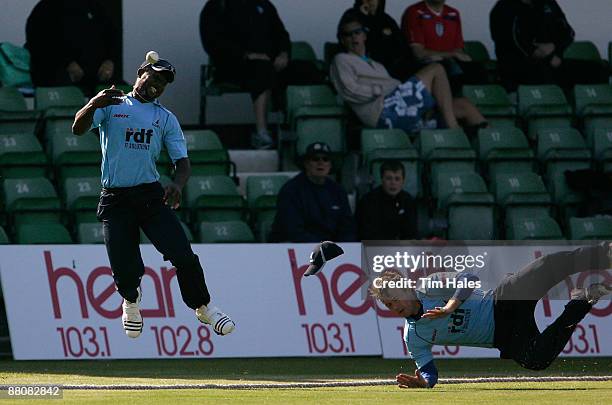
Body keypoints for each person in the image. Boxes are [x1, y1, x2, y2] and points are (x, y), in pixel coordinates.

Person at [71, 51, 235, 339]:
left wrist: (178, 184)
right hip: (115, 198)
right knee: (125, 266)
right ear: (140, 72)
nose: (157, 84)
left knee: (183, 254)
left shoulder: (165, 118)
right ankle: (131, 302)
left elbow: (182, 162)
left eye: (163, 82)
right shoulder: (111, 104)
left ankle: (203, 307)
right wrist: (93, 103)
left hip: (149, 196)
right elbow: (78, 128)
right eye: (154, 76)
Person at [370, 244, 612, 388]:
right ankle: (581, 301)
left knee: (546, 266)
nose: (394, 306)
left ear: (405, 286)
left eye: (394, 297)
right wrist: (425, 382)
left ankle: (605, 253)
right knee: (536, 360)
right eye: (388, 304)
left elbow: (468, 279)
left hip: (502, 301)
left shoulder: (428, 286)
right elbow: (427, 369)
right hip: (503, 336)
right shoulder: (413, 336)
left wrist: (451, 306)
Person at [330, 10, 486, 135]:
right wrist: (380, 90)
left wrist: (428, 104)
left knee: (463, 105)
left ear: (364, 35)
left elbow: (396, 87)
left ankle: (487, 141)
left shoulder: (376, 65)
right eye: (347, 34)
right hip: (382, 114)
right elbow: (349, 91)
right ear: (342, 40)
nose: (353, 37)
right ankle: (454, 130)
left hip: (403, 110)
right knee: (436, 69)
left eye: (357, 32)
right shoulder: (341, 59)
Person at [200, 0, 291, 149]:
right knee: (262, 70)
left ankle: (296, 130)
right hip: (233, 66)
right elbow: (212, 42)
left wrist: (284, 53)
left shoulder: (264, 5)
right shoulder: (217, 5)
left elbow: (281, 34)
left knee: (305, 70)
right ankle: (261, 132)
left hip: (270, 62)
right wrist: (246, 55)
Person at [490, 0, 609, 91]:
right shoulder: (503, 9)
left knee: (597, 71)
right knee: (541, 73)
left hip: (553, 61)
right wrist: (542, 53)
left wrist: (555, 49)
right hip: (518, 68)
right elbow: (514, 44)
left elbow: (567, 32)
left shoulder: (547, 3)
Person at [25, 0, 120, 95]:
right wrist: (67, 63)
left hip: (96, 77)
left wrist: (110, 61)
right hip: (57, 77)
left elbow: (112, 37)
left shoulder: (96, 7)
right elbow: (40, 44)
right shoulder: (45, 8)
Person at [270, 142, 357, 242]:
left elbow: (347, 227)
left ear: (330, 165)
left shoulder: (338, 191)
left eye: (325, 159)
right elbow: (292, 229)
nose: (321, 163)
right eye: (315, 159)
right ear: (306, 164)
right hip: (299, 248)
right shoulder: (291, 190)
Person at [401, 0, 486, 93]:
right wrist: (451, 55)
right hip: (427, 64)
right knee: (447, 68)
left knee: (477, 69)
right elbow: (418, 53)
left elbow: (458, 49)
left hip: (450, 62)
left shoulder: (453, 13)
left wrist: (459, 56)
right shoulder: (414, 12)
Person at [350, 0, 418, 81]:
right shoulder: (351, 17)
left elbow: (402, 44)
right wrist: (364, 17)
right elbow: (357, 42)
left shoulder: (387, 20)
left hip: (395, 67)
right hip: (368, 66)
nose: (370, 2)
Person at [357, 160, 417, 240]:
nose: (393, 183)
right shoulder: (368, 201)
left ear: (403, 181)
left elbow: (412, 233)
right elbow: (365, 234)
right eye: (389, 178)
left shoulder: (408, 201)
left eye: (397, 179)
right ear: (382, 179)